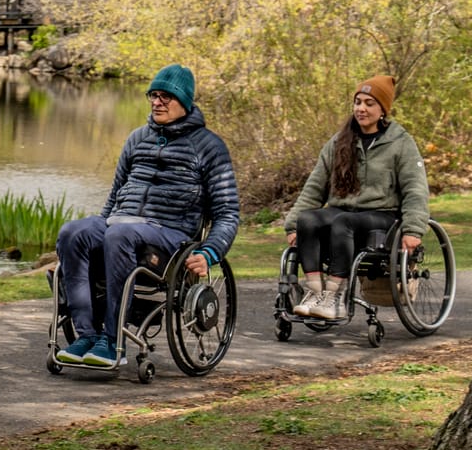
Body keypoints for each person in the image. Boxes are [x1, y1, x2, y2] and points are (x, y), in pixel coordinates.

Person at [53, 64, 240, 369]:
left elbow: (228, 212)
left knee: (119, 235)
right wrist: (95, 230)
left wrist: (210, 252)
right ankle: (86, 336)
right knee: (74, 232)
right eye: (153, 95)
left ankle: (113, 342)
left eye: (166, 97)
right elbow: (114, 197)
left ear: (185, 102)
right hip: (120, 224)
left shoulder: (210, 147)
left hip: (170, 236)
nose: (157, 102)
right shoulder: (137, 138)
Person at [282, 75, 430, 321]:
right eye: (358, 102)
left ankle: (335, 297)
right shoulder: (339, 141)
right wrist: (292, 223)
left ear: (383, 109)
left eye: (369, 103)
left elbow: (415, 188)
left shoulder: (400, 142)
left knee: (343, 223)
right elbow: (314, 187)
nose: (361, 108)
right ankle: (316, 294)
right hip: (343, 209)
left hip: (383, 215)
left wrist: (414, 228)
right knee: (308, 220)